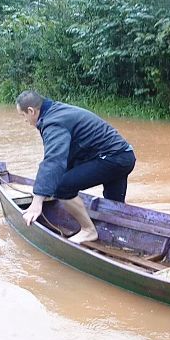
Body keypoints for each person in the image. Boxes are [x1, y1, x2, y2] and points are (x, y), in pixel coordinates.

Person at [15, 90, 136, 243]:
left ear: (31, 111)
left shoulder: (53, 122)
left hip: (112, 159)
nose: (25, 121)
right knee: (114, 205)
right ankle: (121, 238)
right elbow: (68, 154)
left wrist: (37, 200)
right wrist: (46, 189)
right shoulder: (57, 111)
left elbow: (53, 160)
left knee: (62, 188)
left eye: (23, 116)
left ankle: (89, 230)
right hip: (124, 156)